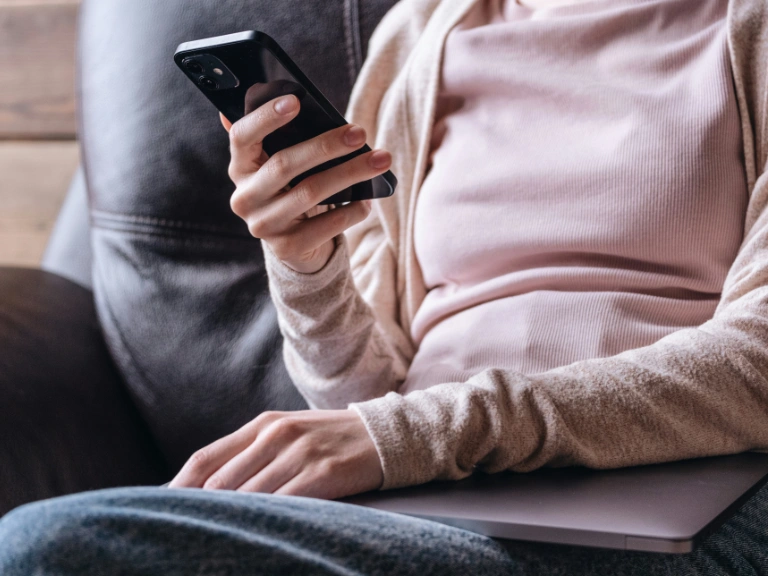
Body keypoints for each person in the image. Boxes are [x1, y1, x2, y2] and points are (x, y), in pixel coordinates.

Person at [2, 0, 768, 573]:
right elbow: (364, 391)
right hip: (435, 490)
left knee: (47, 549)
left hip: (668, 494)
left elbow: (756, 365)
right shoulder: (421, 34)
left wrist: (407, 438)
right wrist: (305, 262)